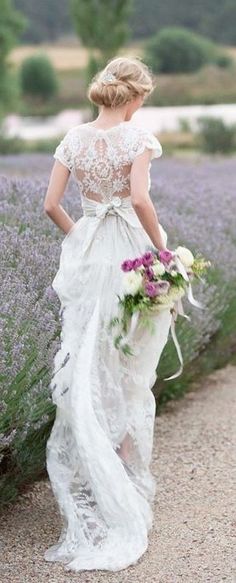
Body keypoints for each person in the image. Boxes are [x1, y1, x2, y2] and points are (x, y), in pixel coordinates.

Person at [43, 56, 173, 573]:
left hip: (91, 249)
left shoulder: (72, 139)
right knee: (130, 360)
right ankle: (118, 468)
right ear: (136, 97)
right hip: (129, 255)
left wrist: (84, 238)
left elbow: (51, 204)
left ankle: (94, 477)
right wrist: (160, 247)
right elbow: (140, 198)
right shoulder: (138, 139)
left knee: (86, 357)